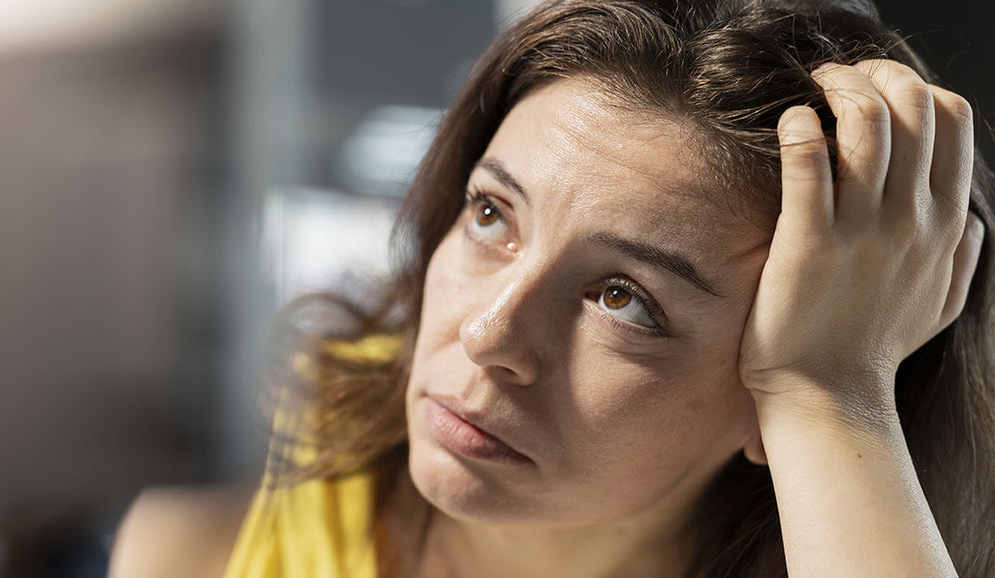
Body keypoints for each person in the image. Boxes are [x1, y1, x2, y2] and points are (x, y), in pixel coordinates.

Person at [110, 0, 995, 576]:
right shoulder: (211, 532)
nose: (489, 333)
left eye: (624, 298)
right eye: (492, 215)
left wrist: (830, 393)